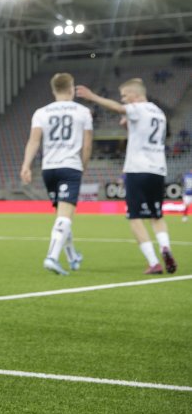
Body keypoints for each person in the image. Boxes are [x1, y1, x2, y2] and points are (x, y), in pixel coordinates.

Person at [76, 79, 177, 274]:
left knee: (135, 217)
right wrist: (128, 127)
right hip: (157, 170)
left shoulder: (138, 108)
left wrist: (93, 97)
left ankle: (154, 262)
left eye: (124, 96)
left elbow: (117, 109)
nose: (123, 100)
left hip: (137, 169)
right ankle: (165, 247)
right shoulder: (159, 113)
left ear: (135, 95)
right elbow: (143, 135)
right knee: (157, 216)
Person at [19, 73, 93, 275]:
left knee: (62, 215)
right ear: (71, 88)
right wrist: (83, 166)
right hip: (70, 166)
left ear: (53, 90)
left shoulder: (41, 112)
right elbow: (87, 145)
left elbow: (34, 141)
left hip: (48, 168)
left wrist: (26, 165)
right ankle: (52, 257)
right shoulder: (83, 111)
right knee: (65, 217)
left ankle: (72, 256)